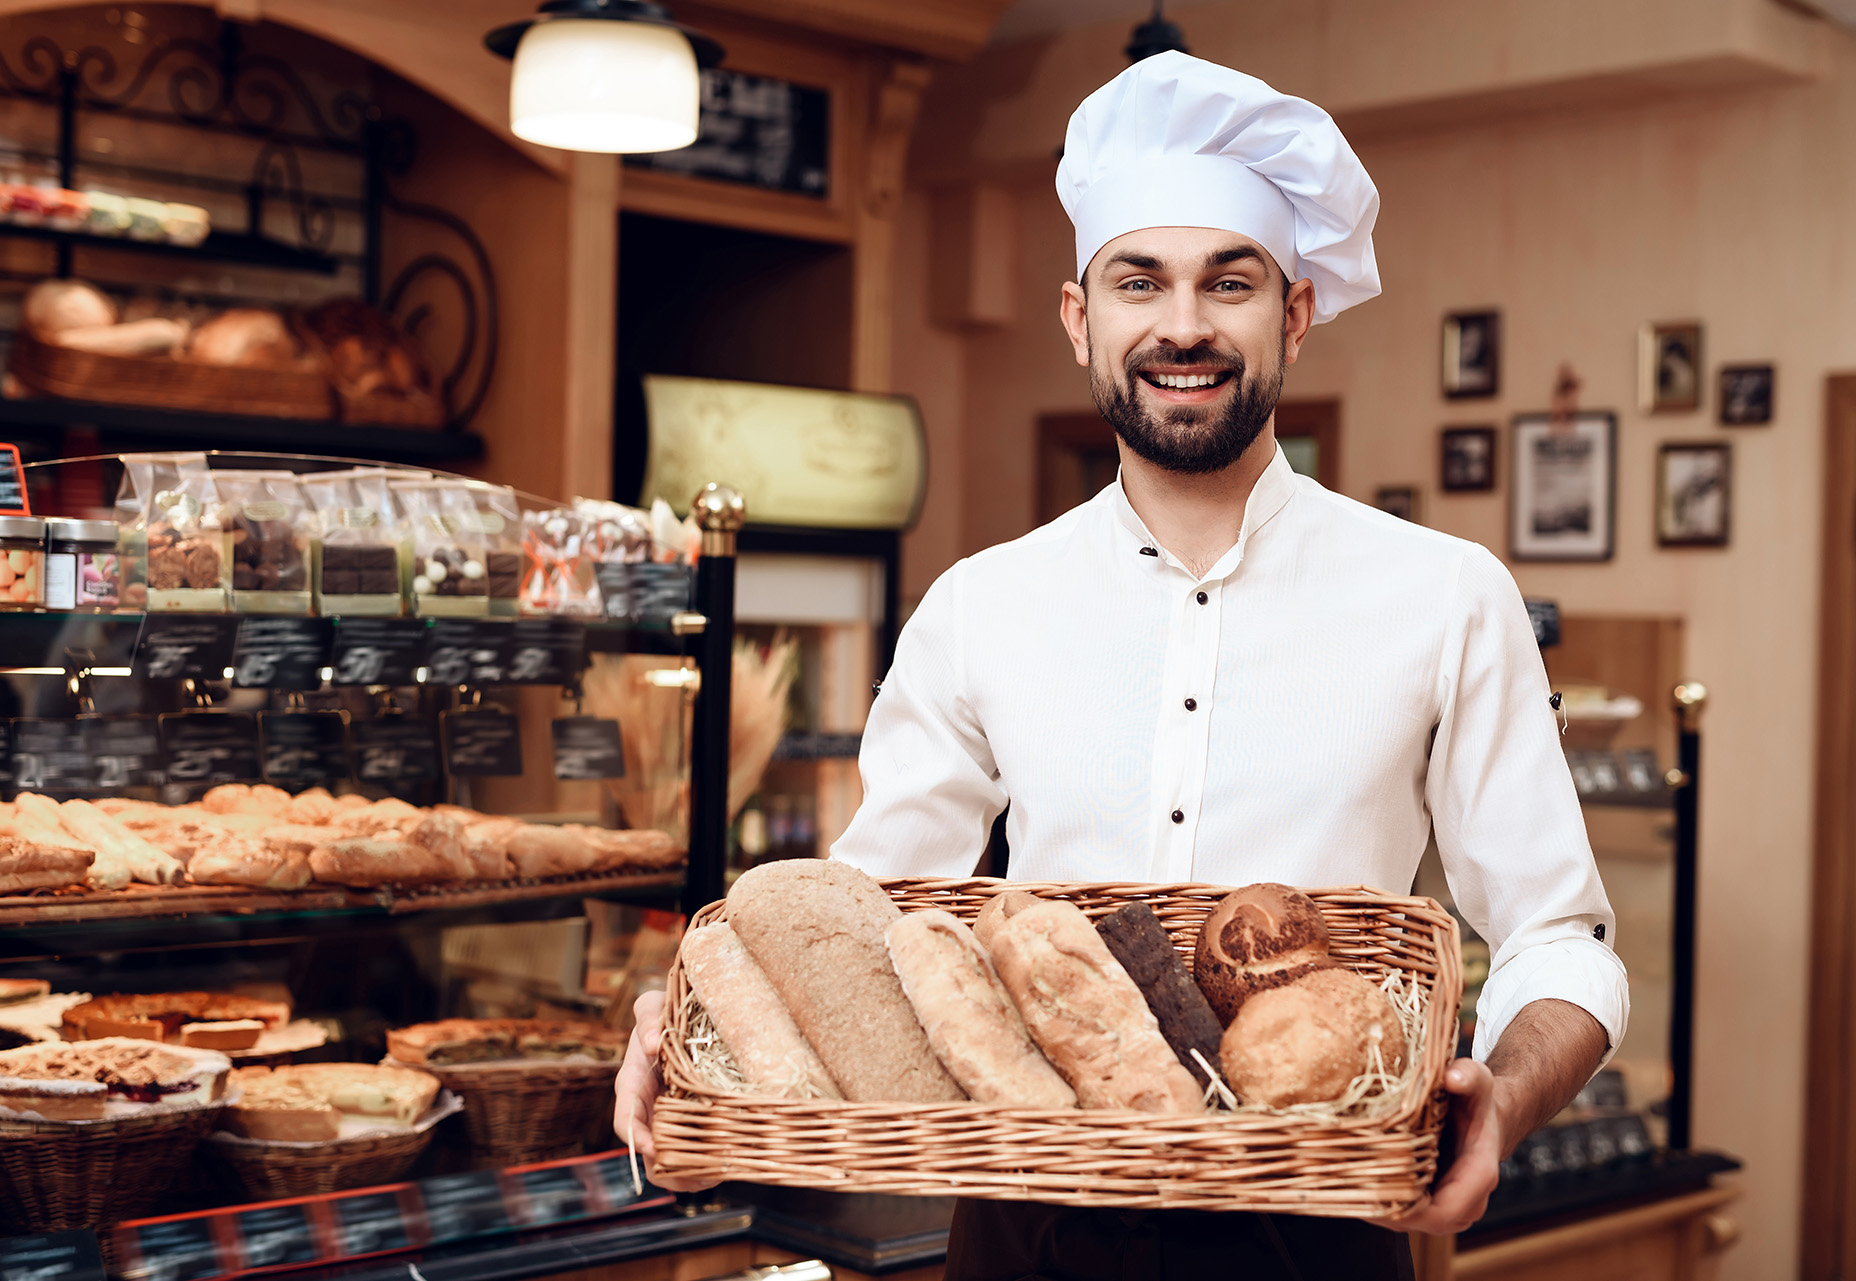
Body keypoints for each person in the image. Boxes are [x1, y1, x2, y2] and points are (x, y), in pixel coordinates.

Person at [616, 52, 1627, 1280]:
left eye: (1230, 282)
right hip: (1023, 1229)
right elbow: (872, 923)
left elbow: (1558, 935)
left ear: (1294, 314)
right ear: (1079, 318)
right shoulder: (981, 607)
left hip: (1318, 1234)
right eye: (1138, 281)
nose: (1184, 324)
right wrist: (686, 1026)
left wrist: (1502, 1103)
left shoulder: (1446, 594)